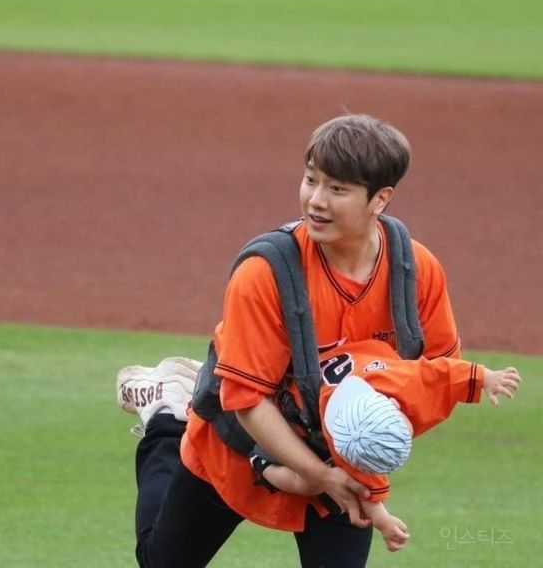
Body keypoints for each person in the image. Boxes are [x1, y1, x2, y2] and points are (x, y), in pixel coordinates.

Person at [117, 113, 466, 567]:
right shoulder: (265, 273)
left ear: (380, 199)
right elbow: (246, 400)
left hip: (339, 460)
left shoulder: (416, 272)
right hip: (239, 441)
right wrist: (315, 474)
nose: (316, 200)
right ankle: (167, 414)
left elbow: (440, 374)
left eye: (337, 189)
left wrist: (365, 436)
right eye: (310, 179)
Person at [250, 338, 521, 553]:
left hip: (351, 361)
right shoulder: (348, 439)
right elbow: (367, 494)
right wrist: (384, 522)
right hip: (292, 409)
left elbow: (444, 371)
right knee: (312, 482)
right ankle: (263, 465)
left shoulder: (394, 388)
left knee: (325, 480)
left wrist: (486, 377)